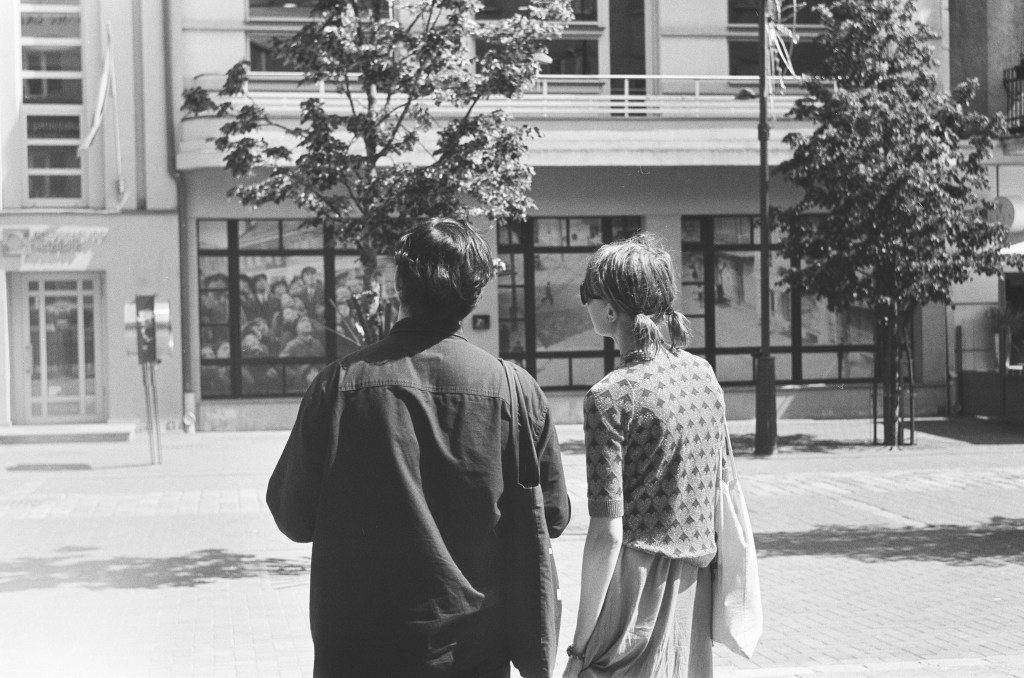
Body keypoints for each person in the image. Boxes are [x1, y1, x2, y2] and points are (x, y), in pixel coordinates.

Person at [267, 217, 571, 678]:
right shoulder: (515, 391)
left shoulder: (338, 386)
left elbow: (293, 517)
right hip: (473, 652)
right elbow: (553, 516)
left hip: (359, 650)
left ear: (399, 286)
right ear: (474, 294)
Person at [563, 233, 725, 678]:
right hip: (694, 584)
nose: (585, 303)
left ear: (610, 311)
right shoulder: (703, 375)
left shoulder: (610, 397)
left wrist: (579, 649)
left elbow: (606, 534)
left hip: (635, 593)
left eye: (587, 294)